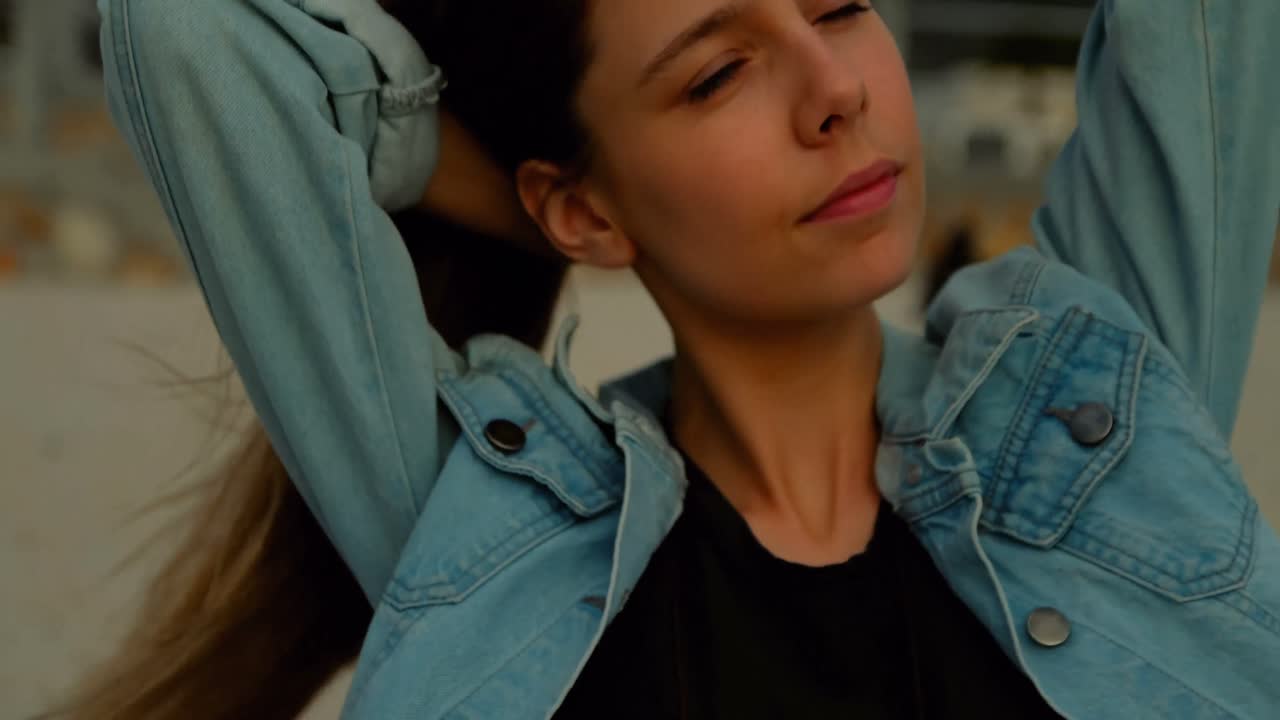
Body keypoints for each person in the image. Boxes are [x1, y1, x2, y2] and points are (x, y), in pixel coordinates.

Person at [61, 0, 1278, 717]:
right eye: (717, 73)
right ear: (581, 213)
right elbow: (180, 28)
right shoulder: (490, 542)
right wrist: (478, 175)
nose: (831, 93)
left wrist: (555, 194)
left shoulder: (1092, 435)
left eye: (836, 7)